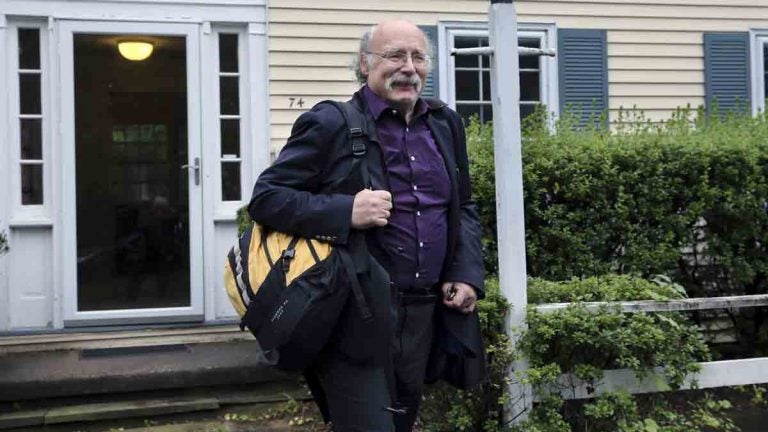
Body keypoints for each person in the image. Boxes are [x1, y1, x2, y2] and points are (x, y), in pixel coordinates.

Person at [248, 19, 485, 432]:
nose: (409, 67)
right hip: (352, 312)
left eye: (417, 57)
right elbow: (267, 199)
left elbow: (462, 206)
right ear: (364, 64)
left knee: (403, 418)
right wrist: (345, 211)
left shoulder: (445, 125)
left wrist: (465, 274)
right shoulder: (331, 124)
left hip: (423, 311)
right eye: (395, 55)